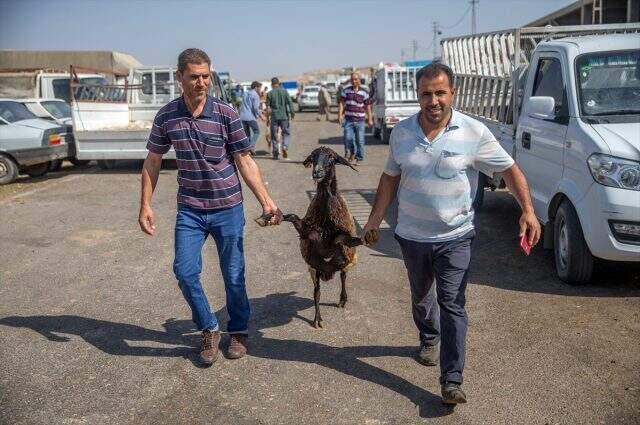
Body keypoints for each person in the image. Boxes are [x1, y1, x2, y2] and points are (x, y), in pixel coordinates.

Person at [361, 63, 541, 405]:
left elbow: (509, 170)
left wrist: (528, 211)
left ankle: (452, 380)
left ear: (452, 93)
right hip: (412, 236)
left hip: (456, 236)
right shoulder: (401, 134)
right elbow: (389, 179)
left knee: (453, 303)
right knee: (421, 298)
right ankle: (429, 335)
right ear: (417, 95)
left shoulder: (473, 132)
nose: (433, 101)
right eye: (426, 94)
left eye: (440, 92)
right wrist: (373, 221)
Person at [138, 48, 283, 367]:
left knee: (234, 274)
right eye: (194, 77)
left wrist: (266, 200)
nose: (201, 83)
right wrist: (145, 204)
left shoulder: (226, 114)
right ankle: (209, 327)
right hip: (190, 209)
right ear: (179, 77)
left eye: (206, 76)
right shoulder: (167, 116)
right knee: (185, 271)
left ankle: (240, 331)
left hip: (228, 207)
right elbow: (152, 161)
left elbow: (244, 160)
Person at [338, 72, 373, 166]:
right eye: (352, 79)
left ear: (359, 80)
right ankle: (352, 152)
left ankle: (359, 158)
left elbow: (368, 106)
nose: (354, 81)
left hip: (360, 121)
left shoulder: (364, 92)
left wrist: (370, 119)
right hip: (348, 120)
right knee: (348, 138)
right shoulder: (345, 91)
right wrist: (340, 115)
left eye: (356, 79)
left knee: (360, 141)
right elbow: (341, 103)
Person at [266, 77, 294, 160]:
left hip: (274, 117)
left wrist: (267, 118)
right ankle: (285, 146)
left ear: (272, 84)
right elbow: (290, 103)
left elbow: (268, 108)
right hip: (284, 116)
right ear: (278, 83)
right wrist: (292, 113)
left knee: (274, 135)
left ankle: (275, 153)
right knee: (286, 133)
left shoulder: (270, 93)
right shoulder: (284, 92)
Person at [239, 81, 264, 155]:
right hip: (250, 117)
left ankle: (247, 150)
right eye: (259, 88)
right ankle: (251, 146)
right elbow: (256, 108)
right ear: (256, 87)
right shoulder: (255, 95)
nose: (260, 89)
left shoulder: (245, 93)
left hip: (242, 117)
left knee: (247, 134)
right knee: (257, 131)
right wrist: (261, 115)